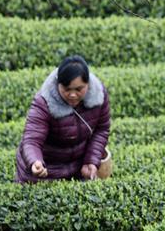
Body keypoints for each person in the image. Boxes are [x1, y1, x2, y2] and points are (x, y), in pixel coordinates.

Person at [15, 55, 112, 183]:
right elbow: (32, 140)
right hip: (47, 171)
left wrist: (91, 161)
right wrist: (35, 162)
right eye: (67, 89)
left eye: (79, 89)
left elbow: (101, 129)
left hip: (77, 169)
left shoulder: (98, 96)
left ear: (87, 84)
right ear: (58, 84)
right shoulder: (44, 102)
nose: (73, 95)